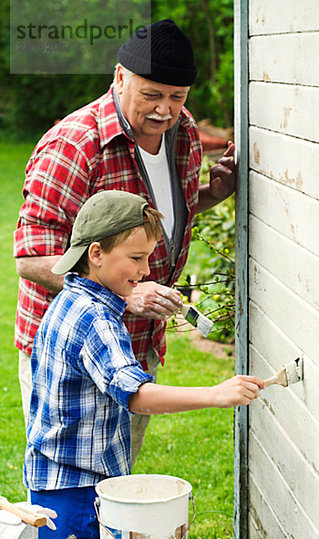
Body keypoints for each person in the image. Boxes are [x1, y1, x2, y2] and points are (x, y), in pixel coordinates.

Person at [14, 18, 235, 465]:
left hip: (137, 342)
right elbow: (33, 258)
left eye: (177, 97)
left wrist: (209, 195)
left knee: (120, 474)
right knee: (70, 479)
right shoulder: (75, 146)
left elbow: (155, 222)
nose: (164, 110)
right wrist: (129, 293)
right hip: (69, 353)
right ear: (119, 77)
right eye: (151, 94)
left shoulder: (184, 132)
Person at [24, 190, 264, 539]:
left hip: (54, 481)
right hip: (77, 491)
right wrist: (216, 394)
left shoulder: (70, 298)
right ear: (96, 254)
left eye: (148, 257)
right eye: (136, 258)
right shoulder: (97, 321)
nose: (146, 271)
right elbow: (137, 396)